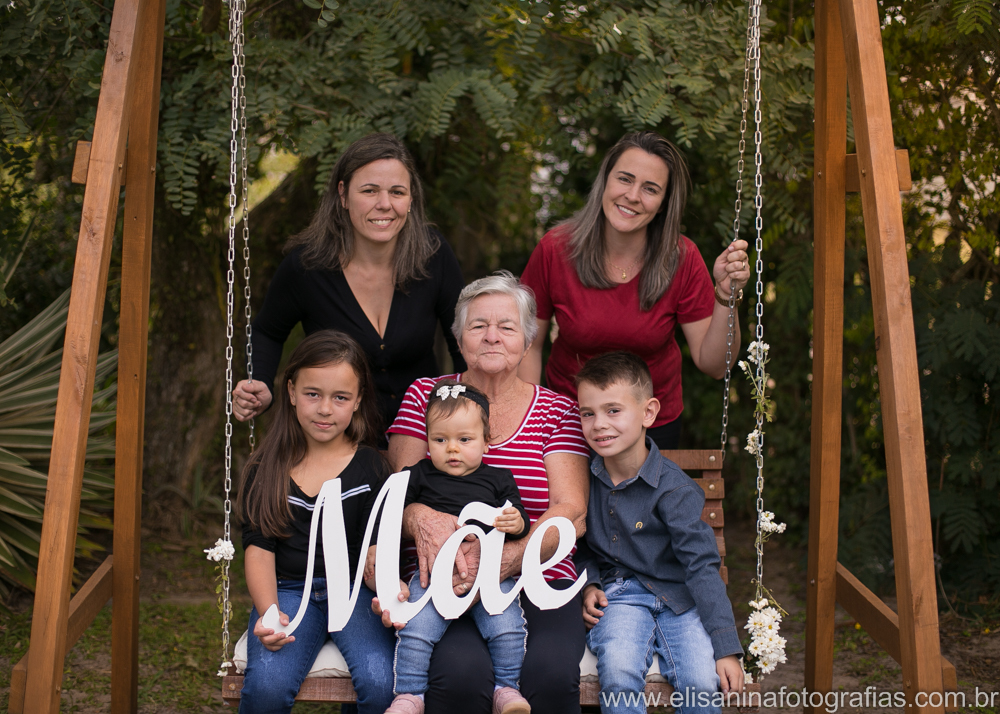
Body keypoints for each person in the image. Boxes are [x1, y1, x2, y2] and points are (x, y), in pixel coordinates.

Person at [380, 272, 591, 714]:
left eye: (506, 326)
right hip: (441, 578)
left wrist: (503, 561)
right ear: (459, 338)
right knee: (461, 676)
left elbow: (570, 510)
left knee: (551, 674)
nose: (492, 336)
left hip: (537, 576)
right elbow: (399, 493)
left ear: (528, 340)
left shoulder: (557, 410)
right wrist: (423, 520)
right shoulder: (425, 396)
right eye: (478, 325)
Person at [519, 131, 750, 449]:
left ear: (664, 203)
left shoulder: (682, 258)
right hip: (571, 421)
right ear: (605, 180)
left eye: (650, 189)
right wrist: (530, 423)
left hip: (651, 426)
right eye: (624, 179)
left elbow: (715, 365)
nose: (632, 195)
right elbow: (528, 346)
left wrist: (725, 295)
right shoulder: (555, 249)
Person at [232, 133, 466, 432]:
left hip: (423, 435)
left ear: (411, 199)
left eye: (397, 192)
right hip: (338, 437)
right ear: (343, 195)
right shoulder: (306, 266)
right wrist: (261, 382)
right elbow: (267, 331)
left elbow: (462, 338)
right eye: (369, 191)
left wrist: (468, 406)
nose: (385, 204)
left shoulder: (433, 254)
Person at [573, 351, 744, 714]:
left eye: (613, 410)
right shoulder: (583, 480)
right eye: (588, 413)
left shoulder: (674, 489)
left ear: (648, 412)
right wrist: (589, 584)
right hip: (618, 598)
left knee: (700, 682)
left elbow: (701, 567)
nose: (599, 424)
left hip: (679, 599)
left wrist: (726, 648)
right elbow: (580, 545)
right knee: (618, 670)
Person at [237, 330, 397, 714]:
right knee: (268, 688)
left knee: (382, 682)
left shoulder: (372, 468)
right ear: (291, 392)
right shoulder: (267, 467)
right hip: (289, 591)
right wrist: (269, 612)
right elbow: (259, 551)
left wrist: (389, 589)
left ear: (358, 400)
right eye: (313, 394)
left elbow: (376, 551)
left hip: (355, 593)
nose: (325, 409)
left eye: (340, 397)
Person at [386, 379, 531, 714]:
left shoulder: (499, 479)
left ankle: (506, 689)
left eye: (464, 440)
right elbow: (393, 514)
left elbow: (519, 519)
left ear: (486, 442)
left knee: (508, 628)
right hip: (432, 577)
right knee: (415, 630)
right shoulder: (418, 475)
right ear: (427, 440)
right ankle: (409, 695)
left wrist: (516, 523)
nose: (452, 449)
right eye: (440, 440)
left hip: (489, 576)